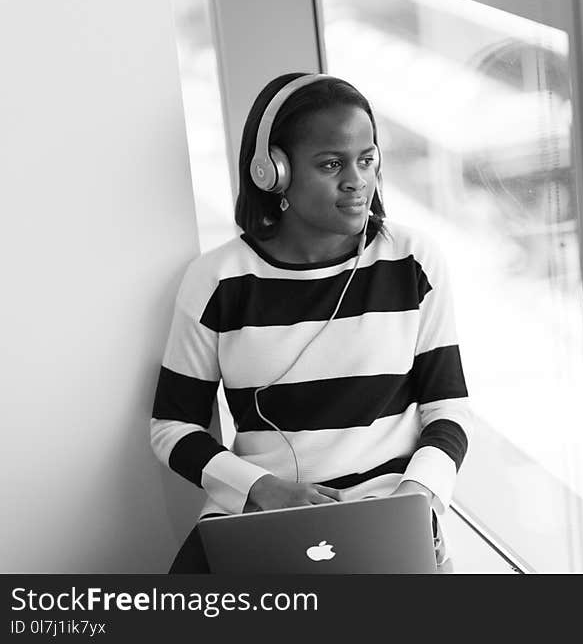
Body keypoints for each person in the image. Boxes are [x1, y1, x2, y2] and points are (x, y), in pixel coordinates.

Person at [150, 72, 471, 573]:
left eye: (366, 160)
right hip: (262, 518)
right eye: (330, 164)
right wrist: (259, 488)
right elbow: (173, 426)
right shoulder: (217, 280)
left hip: (387, 514)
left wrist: (419, 495)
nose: (356, 180)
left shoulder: (413, 261)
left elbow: (448, 408)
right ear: (272, 172)